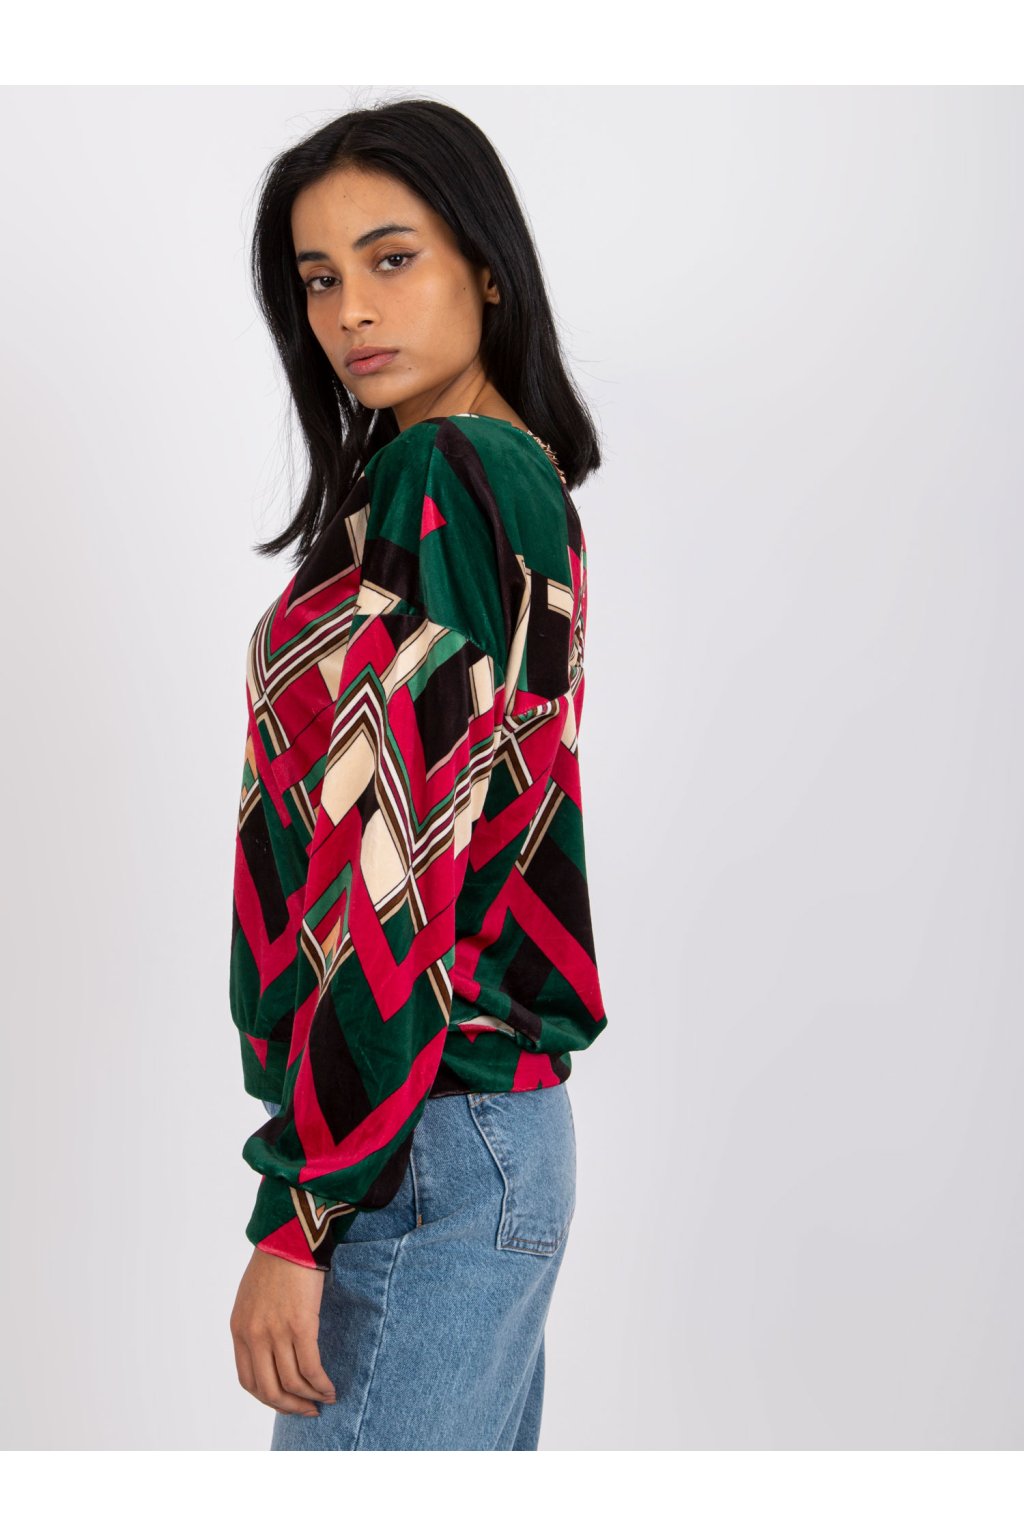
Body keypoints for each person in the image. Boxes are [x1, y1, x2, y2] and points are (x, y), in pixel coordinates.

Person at [227, 97, 609, 1451]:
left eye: (392, 260)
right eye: (318, 278)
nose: (351, 312)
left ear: (486, 270)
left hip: (416, 1142)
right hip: (472, 1133)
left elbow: (397, 872)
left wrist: (302, 1206)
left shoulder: (449, 475)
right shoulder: (504, 477)